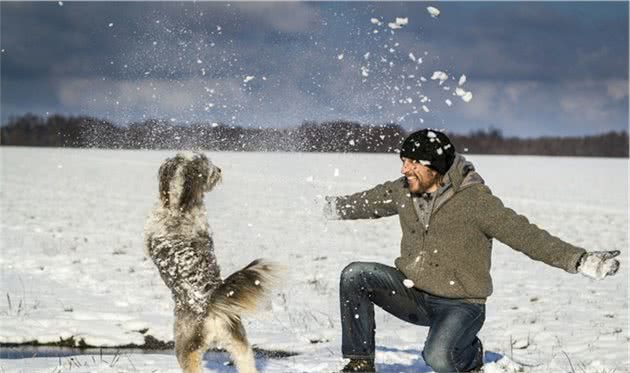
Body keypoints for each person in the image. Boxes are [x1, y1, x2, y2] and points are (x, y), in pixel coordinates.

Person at [323, 129, 620, 373]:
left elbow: (526, 235)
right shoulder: (404, 190)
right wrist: (323, 207)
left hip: (461, 304)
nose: (404, 169)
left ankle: (471, 355)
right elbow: (365, 202)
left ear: (433, 166)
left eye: (412, 162)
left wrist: (580, 260)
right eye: (403, 161)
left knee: (438, 358)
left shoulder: (475, 201)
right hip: (413, 291)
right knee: (356, 275)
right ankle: (360, 362)